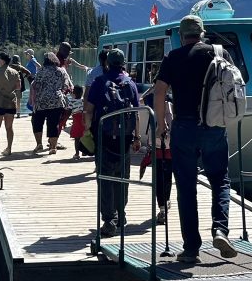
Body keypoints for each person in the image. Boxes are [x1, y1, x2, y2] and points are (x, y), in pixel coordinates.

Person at [153, 15, 237, 263]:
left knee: (187, 187)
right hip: (213, 126)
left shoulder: (174, 57)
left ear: (181, 35)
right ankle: (220, 229)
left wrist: (161, 124)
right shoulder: (219, 53)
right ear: (202, 33)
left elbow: (159, 91)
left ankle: (191, 248)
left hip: (184, 128)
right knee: (220, 179)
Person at [85, 48, 140, 238]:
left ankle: (109, 220)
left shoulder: (99, 82)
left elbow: (89, 110)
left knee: (105, 179)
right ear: (123, 63)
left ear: (107, 63)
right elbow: (136, 112)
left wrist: (87, 130)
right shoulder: (130, 84)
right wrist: (137, 138)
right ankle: (121, 215)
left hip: (104, 138)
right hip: (125, 140)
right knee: (122, 178)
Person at [139, 87, 173, 225]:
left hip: (158, 146)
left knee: (159, 179)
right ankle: (165, 204)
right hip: (170, 147)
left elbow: (139, 100)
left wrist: (153, 88)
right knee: (167, 178)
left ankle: (162, 208)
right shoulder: (172, 99)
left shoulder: (153, 99)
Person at [30, 52, 73, 155]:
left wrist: (34, 98)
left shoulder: (41, 71)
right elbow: (66, 85)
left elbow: (35, 85)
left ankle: (39, 144)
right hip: (56, 100)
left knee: (37, 122)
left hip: (41, 100)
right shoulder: (61, 71)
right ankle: (53, 147)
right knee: (54, 124)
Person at [68, 85, 88, 160]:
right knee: (84, 136)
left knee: (77, 138)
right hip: (84, 119)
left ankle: (77, 153)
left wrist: (63, 119)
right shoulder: (84, 101)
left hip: (76, 120)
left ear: (73, 93)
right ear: (82, 92)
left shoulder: (71, 101)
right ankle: (84, 151)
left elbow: (69, 111)